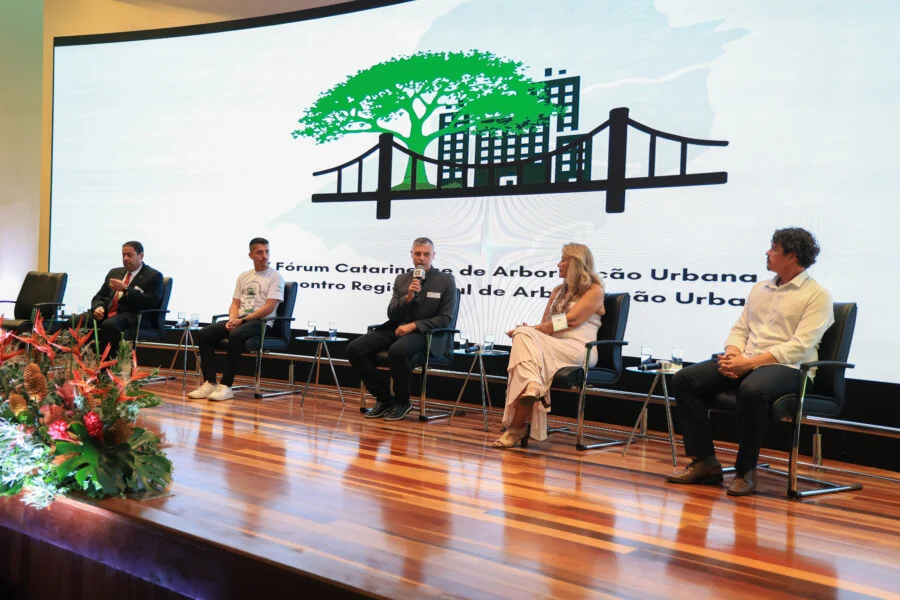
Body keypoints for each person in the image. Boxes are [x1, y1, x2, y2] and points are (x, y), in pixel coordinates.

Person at [665, 227, 834, 496]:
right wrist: (733, 353)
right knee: (685, 379)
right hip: (748, 360)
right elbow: (741, 329)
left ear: (792, 255)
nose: (767, 253)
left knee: (753, 389)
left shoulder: (817, 296)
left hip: (790, 369)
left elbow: (799, 346)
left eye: (774, 249)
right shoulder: (760, 289)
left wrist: (748, 363)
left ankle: (745, 470)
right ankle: (705, 463)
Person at [493, 243, 605, 448]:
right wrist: (530, 330)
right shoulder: (557, 291)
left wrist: (531, 330)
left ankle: (517, 427)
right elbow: (548, 325)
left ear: (576, 263)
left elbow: (571, 321)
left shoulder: (594, 290)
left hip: (581, 350)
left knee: (523, 334)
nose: (558, 264)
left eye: (563, 259)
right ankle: (531, 390)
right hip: (553, 346)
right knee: (524, 337)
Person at [347, 237, 458, 421]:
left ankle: (402, 402)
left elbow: (445, 318)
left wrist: (414, 325)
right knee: (354, 349)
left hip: (425, 334)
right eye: (417, 254)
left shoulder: (446, 280)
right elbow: (392, 313)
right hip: (396, 328)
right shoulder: (402, 279)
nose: (421, 258)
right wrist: (407, 298)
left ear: (433, 256)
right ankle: (384, 398)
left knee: (397, 351)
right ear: (411, 255)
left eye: (426, 254)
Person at [188, 238, 285, 402]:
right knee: (205, 333)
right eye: (260, 252)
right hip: (241, 319)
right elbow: (235, 303)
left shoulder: (275, 276)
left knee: (236, 336)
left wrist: (243, 320)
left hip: (261, 323)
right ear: (251, 255)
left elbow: (269, 307)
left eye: (267, 251)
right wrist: (232, 319)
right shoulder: (244, 276)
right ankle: (210, 382)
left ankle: (226, 385)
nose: (265, 256)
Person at [90, 241, 163, 357]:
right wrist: (99, 307)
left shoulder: (153, 276)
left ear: (141, 256)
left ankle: (108, 367)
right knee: (76, 321)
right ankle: (82, 362)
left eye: (129, 255)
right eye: (123, 255)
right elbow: (99, 296)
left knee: (109, 325)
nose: (125, 258)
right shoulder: (114, 272)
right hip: (108, 313)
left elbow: (151, 301)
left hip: (132, 315)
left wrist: (126, 289)